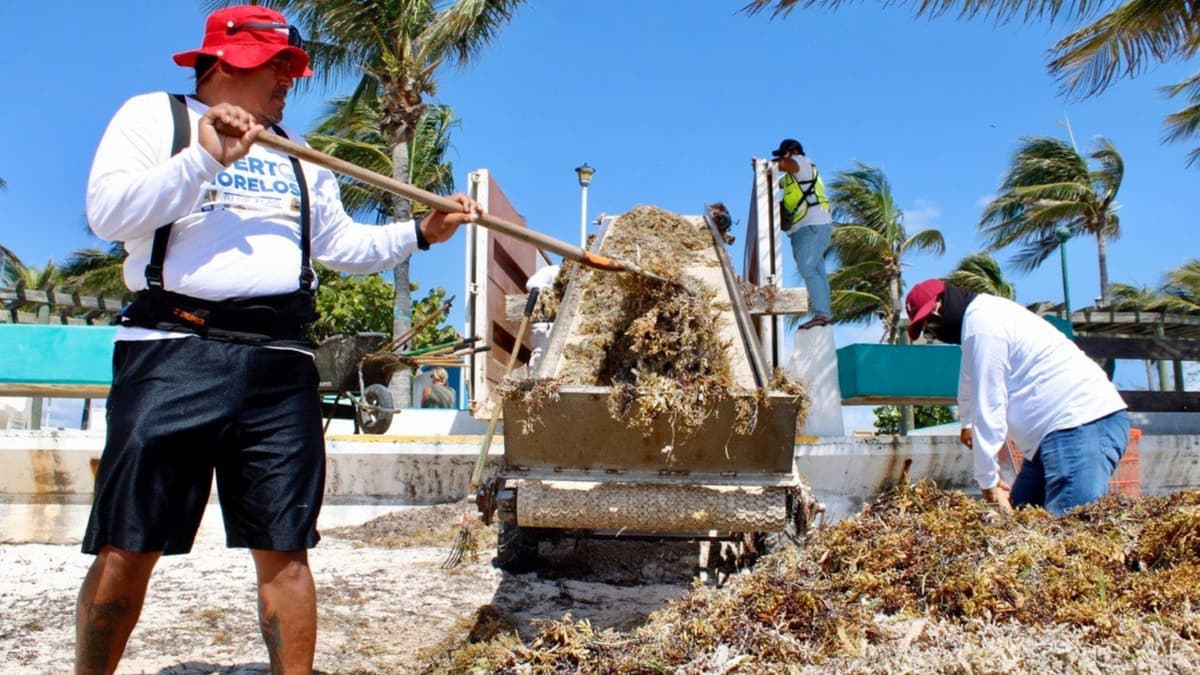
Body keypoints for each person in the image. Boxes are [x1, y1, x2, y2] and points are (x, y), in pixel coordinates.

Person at [76, 6, 480, 674]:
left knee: (287, 547)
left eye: (292, 67)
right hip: (173, 347)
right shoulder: (156, 117)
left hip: (280, 362)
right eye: (277, 65)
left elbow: (341, 244)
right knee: (128, 542)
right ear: (225, 61)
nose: (290, 80)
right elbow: (109, 213)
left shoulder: (296, 152)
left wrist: (420, 234)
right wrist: (203, 157)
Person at [904, 278, 1129, 516]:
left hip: (1080, 425)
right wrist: (967, 424)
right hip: (1052, 438)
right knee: (1021, 520)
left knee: (1068, 534)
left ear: (942, 304)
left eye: (930, 323)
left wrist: (988, 482)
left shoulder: (983, 325)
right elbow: (969, 380)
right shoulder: (977, 324)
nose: (932, 332)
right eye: (926, 330)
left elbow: (989, 402)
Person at [771, 138, 834, 329]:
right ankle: (824, 313)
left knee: (807, 269)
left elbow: (782, 165)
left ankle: (822, 314)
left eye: (783, 154)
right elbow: (779, 182)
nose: (782, 158)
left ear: (792, 152)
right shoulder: (794, 177)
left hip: (812, 227)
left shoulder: (803, 163)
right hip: (810, 228)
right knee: (817, 270)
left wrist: (766, 164)